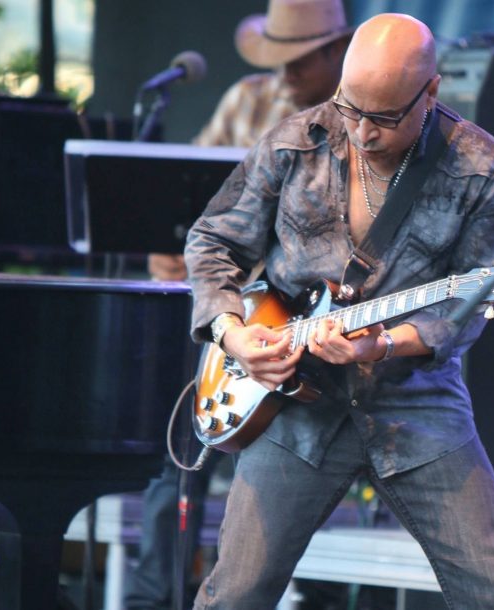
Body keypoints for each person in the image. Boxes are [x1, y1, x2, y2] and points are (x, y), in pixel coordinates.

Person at [184, 12, 494, 610]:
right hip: (292, 403)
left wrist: (387, 343)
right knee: (235, 596)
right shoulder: (293, 142)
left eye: (385, 117)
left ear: (431, 91)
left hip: (415, 402)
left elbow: (472, 298)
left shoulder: (481, 165)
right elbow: (213, 241)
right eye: (351, 108)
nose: (364, 132)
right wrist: (232, 334)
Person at [124, 1, 352, 609]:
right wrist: (180, 256)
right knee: (182, 451)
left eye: (300, 59)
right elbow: (196, 199)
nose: (285, 72)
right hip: (234, 316)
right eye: (279, 57)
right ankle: (156, 593)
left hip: (302, 325)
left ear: (337, 51)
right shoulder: (249, 99)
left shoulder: (360, 123)